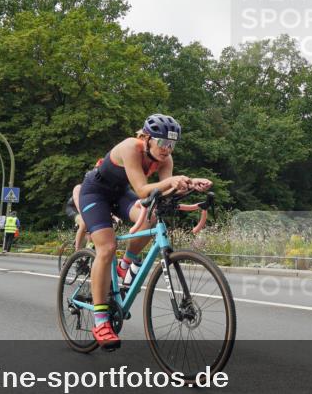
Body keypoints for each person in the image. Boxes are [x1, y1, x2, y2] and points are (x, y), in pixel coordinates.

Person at [77, 114, 212, 351]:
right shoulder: (131, 147)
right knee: (107, 248)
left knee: (151, 216)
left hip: (119, 194)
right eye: (162, 143)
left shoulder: (165, 159)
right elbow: (141, 190)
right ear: (147, 138)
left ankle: (125, 264)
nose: (166, 149)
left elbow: (165, 191)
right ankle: (100, 322)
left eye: (172, 145)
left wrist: (190, 184)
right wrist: (175, 182)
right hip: (94, 192)